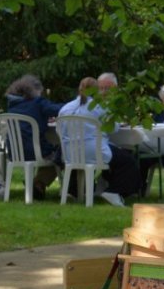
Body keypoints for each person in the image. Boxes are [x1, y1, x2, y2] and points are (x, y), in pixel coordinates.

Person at [57, 77, 138, 206]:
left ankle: (74, 191)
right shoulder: (99, 108)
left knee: (117, 155)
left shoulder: (65, 108)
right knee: (128, 161)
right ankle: (114, 191)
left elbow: (60, 130)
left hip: (70, 154)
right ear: (96, 91)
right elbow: (113, 128)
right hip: (94, 151)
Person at [5, 74, 64, 198]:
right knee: (59, 154)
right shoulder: (38, 102)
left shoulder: (12, 104)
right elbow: (57, 110)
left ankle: (37, 185)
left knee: (53, 154)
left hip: (14, 152)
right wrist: (74, 104)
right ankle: (40, 183)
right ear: (36, 90)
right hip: (35, 150)